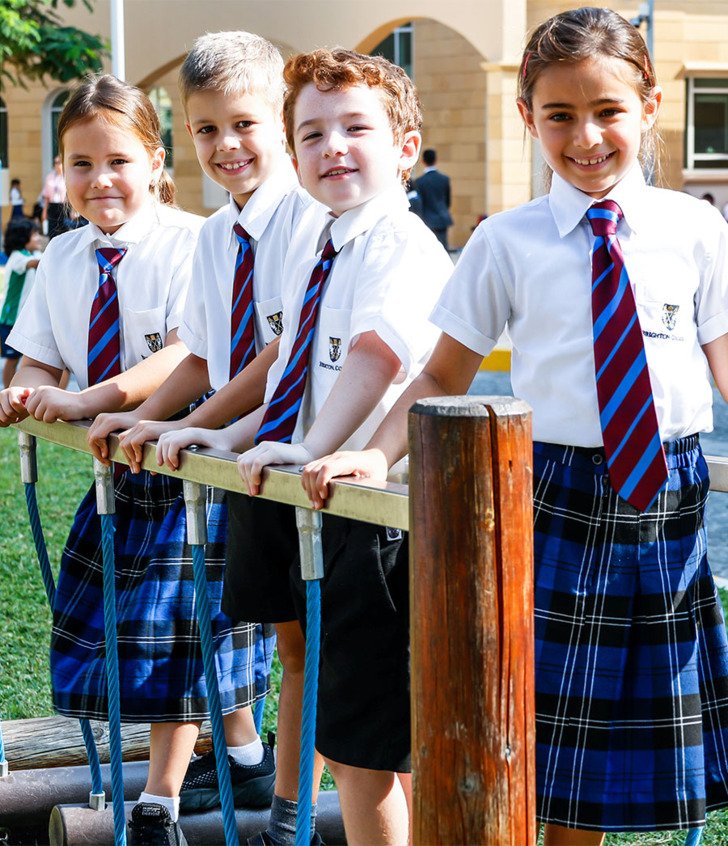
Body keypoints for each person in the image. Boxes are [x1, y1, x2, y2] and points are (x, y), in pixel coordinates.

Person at [300, 8, 728, 845]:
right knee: (537, 725)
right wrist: (369, 453)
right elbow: (439, 373)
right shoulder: (507, 241)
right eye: (560, 116)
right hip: (544, 492)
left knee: (607, 752)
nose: (588, 136)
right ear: (528, 119)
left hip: (665, 500)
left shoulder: (697, 230)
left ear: (648, 108)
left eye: (608, 111)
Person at [155, 47, 453, 845]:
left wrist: (308, 443)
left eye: (356, 128)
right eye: (313, 134)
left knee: (368, 744)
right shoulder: (315, 241)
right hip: (299, 484)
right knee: (320, 691)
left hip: (365, 508)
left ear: (406, 149)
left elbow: (375, 358)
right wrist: (222, 430)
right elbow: (288, 362)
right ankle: (295, 819)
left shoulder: (401, 243)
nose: (333, 148)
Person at [86, 31, 321, 841]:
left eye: (244, 124)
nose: (225, 145)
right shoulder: (221, 234)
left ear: (283, 120)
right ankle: (268, 794)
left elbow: (278, 354)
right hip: (250, 457)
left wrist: (187, 425)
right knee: (276, 643)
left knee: (314, 645)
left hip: (312, 450)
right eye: (205, 129)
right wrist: (150, 418)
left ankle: (295, 811)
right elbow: (211, 356)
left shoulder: (308, 217)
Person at [0, 74, 239, 846]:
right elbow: (36, 362)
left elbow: (183, 357)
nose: (100, 179)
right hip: (117, 478)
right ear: (60, 172)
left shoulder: (194, 242)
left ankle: (161, 800)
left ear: (155, 162)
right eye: (80, 163)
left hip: (187, 470)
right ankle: (242, 751)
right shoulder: (61, 258)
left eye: (118, 161)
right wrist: (24, 395)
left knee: (173, 636)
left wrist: (91, 399)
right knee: (116, 632)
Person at [0, 218, 42, 387]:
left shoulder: (30, 254)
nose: (38, 238)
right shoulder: (18, 257)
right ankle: (6, 393)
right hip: (11, 319)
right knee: (12, 359)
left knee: (22, 358)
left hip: (23, 319)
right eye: (35, 234)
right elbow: (35, 264)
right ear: (23, 238)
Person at [414, 147, 452, 250]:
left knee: (428, 251)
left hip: (426, 220)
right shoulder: (444, 179)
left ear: (423, 161)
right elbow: (448, 201)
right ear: (436, 160)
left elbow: (419, 203)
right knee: (443, 249)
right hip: (442, 218)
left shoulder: (419, 181)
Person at [42, 154, 67, 238]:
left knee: (63, 230)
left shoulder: (67, 176)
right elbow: (46, 195)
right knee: (52, 229)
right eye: (55, 162)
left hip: (63, 205)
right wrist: (44, 211)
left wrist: (73, 210)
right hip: (52, 205)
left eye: (59, 162)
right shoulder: (50, 176)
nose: (57, 164)